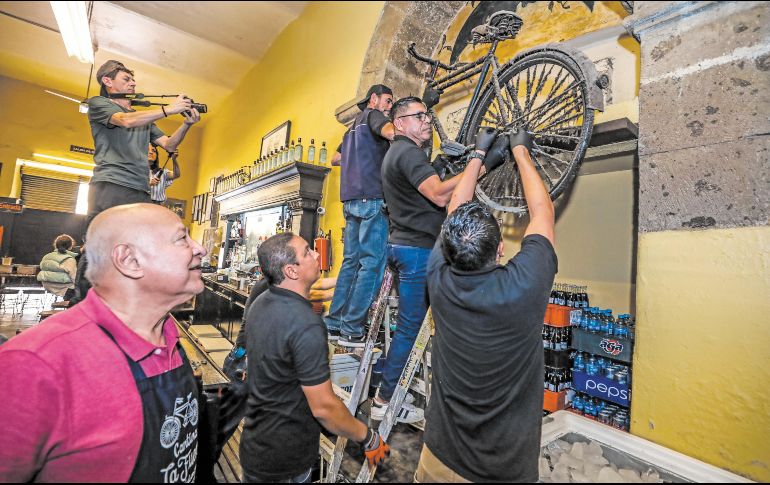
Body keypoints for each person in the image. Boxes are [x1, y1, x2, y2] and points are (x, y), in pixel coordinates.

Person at [0, 203, 208, 482]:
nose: (200, 249)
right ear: (130, 260)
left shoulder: (170, 337)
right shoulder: (34, 365)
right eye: (182, 238)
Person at [416, 129, 557, 482]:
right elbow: (542, 211)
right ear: (500, 250)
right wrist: (521, 153)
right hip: (498, 474)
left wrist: (478, 156)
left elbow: (455, 208)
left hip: (436, 460)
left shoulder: (438, 275)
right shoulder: (522, 286)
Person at [371, 96, 501, 421]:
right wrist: (482, 162)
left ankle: (390, 387)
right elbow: (441, 195)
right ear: (400, 123)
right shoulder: (407, 152)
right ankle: (384, 400)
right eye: (419, 116)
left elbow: (425, 192)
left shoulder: (399, 154)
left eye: (427, 115)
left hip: (404, 246)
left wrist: (442, 168)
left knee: (413, 326)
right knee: (411, 327)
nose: (427, 120)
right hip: (416, 250)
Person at [239, 233, 388, 483]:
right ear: (291, 270)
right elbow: (324, 408)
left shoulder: (262, 302)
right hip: (285, 460)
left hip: (256, 445)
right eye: (307, 252)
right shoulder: (305, 324)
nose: (317, 254)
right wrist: (368, 437)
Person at [325, 84, 395, 348]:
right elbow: (391, 132)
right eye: (388, 101)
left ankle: (334, 323)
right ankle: (353, 329)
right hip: (372, 198)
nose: (389, 107)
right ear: (374, 99)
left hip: (351, 201)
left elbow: (335, 158)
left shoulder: (352, 129)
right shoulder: (374, 116)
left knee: (351, 263)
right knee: (372, 264)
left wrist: (358, 157)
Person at [87, 60, 200, 222]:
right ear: (107, 81)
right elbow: (125, 120)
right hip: (112, 183)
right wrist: (170, 109)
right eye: (126, 79)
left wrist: (187, 124)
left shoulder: (143, 119)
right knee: (108, 234)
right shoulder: (98, 102)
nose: (133, 83)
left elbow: (169, 145)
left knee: (137, 236)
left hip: (141, 188)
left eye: (133, 80)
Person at [36, 234, 78, 299]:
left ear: (56, 245)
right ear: (70, 247)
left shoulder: (46, 256)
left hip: (47, 286)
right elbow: (74, 277)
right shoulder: (69, 259)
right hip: (63, 289)